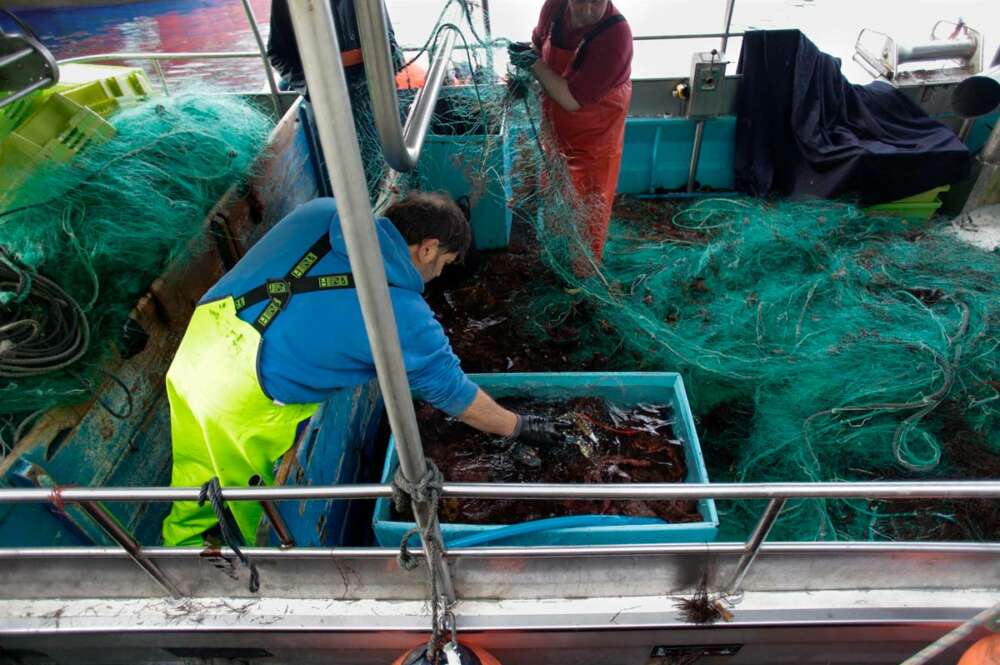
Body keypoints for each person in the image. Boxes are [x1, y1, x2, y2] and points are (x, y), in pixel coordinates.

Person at [161, 193, 563, 547]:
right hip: (240, 395)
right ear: (427, 248)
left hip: (199, 348)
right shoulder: (403, 315)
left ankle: (179, 547)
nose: (439, 274)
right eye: (444, 263)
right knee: (233, 506)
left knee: (195, 478)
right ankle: (212, 586)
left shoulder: (321, 211)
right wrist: (519, 426)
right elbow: (455, 396)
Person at [508, 0, 633, 265]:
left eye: (596, 1)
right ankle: (556, 254)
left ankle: (582, 276)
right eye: (579, 0)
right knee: (554, 191)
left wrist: (533, 66)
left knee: (590, 206)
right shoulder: (553, 8)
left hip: (596, 138)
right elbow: (538, 47)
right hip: (555, 130)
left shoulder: (616, 37)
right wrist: (526, 76)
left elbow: (571, 100)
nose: (586, 10)